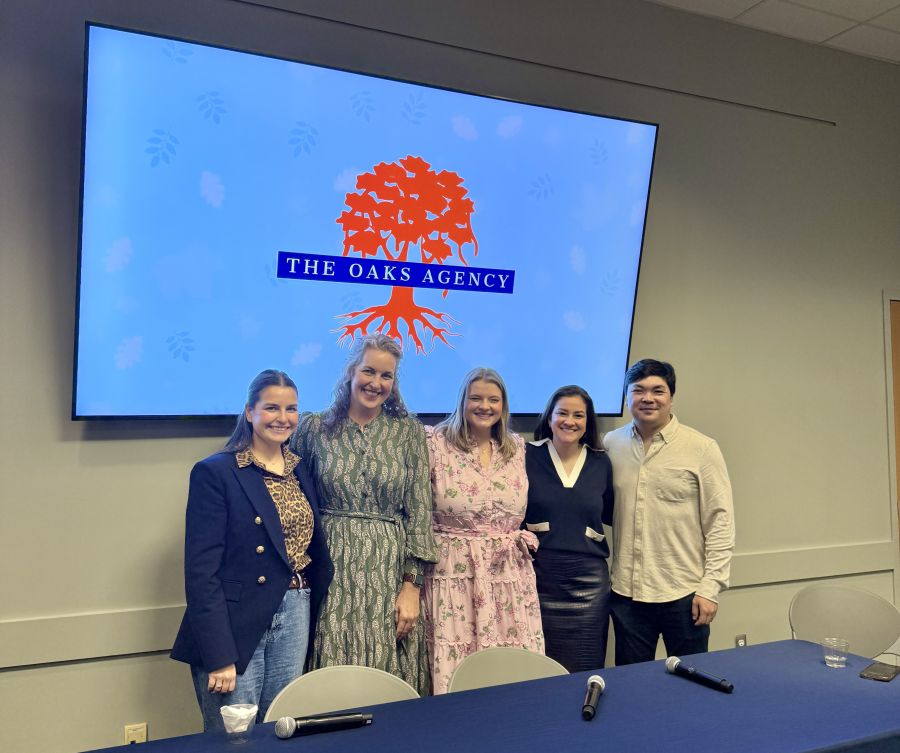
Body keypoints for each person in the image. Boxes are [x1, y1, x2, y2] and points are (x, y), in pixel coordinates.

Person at [171, 370, 333, 730]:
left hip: (294, 611)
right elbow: (201, 572)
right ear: (249, 412)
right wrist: (219, 655)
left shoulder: (299, 469)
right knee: (236, 738)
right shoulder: (216, 472)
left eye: (291, 408)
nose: (283, 417)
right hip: (235, 623)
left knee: (280, 728)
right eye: (271, 407)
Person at [290, 334, 436, 695]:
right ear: (351, 371)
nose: (376, 383)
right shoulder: (314, 429)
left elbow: (419, 512)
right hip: (330, 568)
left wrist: (411, 587)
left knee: (387, 674)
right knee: (331, 665)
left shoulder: (408, 433)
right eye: (369, 371)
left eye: (387, 376)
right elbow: (294, 497)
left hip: (388, 572)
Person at [603, 359, 734, 665]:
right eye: (638, 390)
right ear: (626, 397)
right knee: (633, 688)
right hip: (628, 596)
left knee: (691, 687)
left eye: (657, 391)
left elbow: (720, 522)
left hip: (685, 594)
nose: (648, 398)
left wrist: (710, 588)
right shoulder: (611, 444)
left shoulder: (701, 448)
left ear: (671, 397)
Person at [423, 367, 544, 694]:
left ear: (503, 406)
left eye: (493, 399)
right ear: (463, 400)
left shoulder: (516, 447)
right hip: (454, 574)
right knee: (457, 665)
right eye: (476, 398)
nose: (484, 406)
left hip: (509, 577)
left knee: (512, 667)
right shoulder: (434, 443)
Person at [525, 385, 614, 672]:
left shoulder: (601, 462)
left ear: (588, 422)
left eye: (579, 415)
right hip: (538, 579)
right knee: (539, 668)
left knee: (586, 668)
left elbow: (608, 512)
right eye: (562, 413)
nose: (570, 421)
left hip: (589, 584)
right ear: (549, 417)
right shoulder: (525, 456)